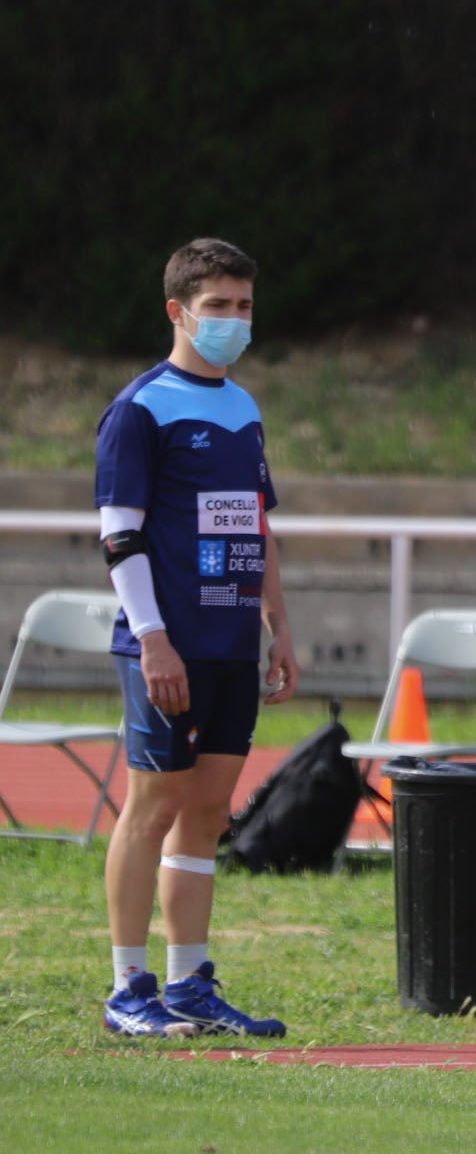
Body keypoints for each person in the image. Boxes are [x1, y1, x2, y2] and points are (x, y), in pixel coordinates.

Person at [96, 238, 300, 1037]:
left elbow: (257, 523)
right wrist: (153, 639)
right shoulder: (141, 408)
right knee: (152, 806)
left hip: (229, 646)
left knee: (207, 811)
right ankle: (127, 989)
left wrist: (278, 626)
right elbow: (119, 538)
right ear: (179, 311)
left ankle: (189, 984)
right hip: (167, 646)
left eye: (244, 305)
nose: (234, 320)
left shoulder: (244, 407)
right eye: (218, 306)